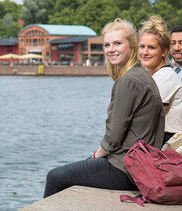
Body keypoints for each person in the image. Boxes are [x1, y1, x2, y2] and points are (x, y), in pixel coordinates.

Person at [43, 18, 165, 198]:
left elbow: (114, 137)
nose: (111, 49)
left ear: (131, 45)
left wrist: (95, 156)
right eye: (107, 45)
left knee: (54, 177)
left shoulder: (128, 81)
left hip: (126, 169)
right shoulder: (141, 74)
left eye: (117, 43)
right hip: (140, 164)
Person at [138, 16, 182, 142]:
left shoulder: (165, 76)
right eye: (142, 46)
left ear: (164, 51)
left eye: (151, 47)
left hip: (168, 148)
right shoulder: (157, 75)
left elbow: (148, 117)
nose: (145, 52)